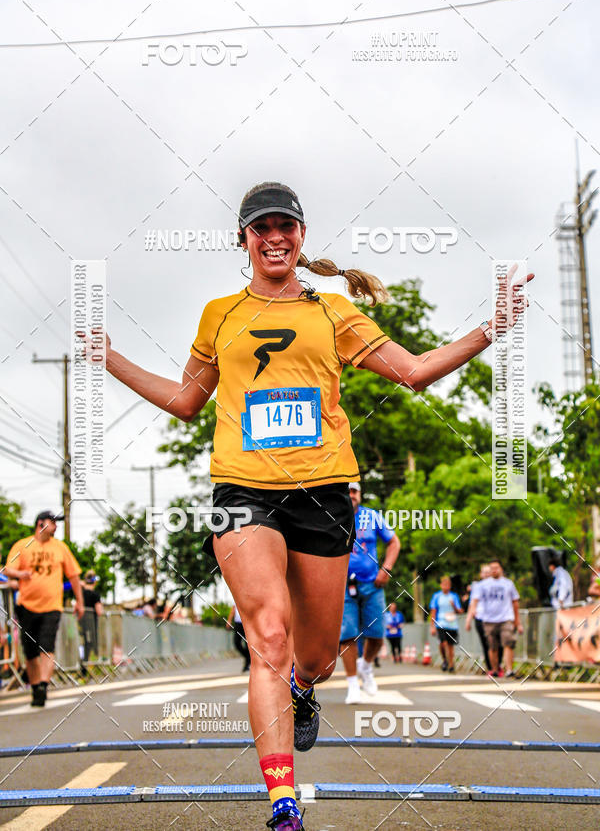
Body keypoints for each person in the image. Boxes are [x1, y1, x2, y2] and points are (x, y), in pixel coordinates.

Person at [85, 181, 532, 830]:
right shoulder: (219, 313)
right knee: (269, 635)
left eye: (285, 226)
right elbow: (187, 402)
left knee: (316, 654)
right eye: (260, 227)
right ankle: (283, 802)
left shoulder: (333, 312)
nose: (274, 237)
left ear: (300, 237)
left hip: (323, 492)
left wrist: (492, 328)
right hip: (242, 490)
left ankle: (303, 690)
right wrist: (109, 358)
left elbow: (414, 370)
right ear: (243, 239)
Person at [3, 511, 84, 707]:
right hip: (26, 605)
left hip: (52, 606)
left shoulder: (60, 548)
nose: (56, 527)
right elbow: (7, 569)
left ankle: (43, 686)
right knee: (30, 651)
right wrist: (20, 574)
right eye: (53, 522)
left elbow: (73, 575)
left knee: (47, 646)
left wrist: (80, 601)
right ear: (41, 524)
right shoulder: (23, 545)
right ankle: (35, 685)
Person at [340, 482, 400, 703]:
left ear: (360, 494)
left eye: (354, 491)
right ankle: (353, 685)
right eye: (347, 491)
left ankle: (365, 665)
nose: (351, 495)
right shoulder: (330, 516)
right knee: (347, 635)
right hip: (343, 586)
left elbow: (393, 542)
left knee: (376, 635)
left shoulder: (372, 516)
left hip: (372, 584)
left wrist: (386, 569)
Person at [466, 558, 522, 678]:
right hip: (489, 620)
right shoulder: (482, 585)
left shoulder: (508, 583)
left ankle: (509, 670)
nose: (494, 570)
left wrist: (517, 621)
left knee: (508, 643)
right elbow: (474, 601)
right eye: (492, 568)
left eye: (496, 568)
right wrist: (470, 615)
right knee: (492, 646)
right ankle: (495, 669)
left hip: (506, 618)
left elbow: (515, 602)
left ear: (501, 569)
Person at [466, 563, 498, 673]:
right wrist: (468, 620)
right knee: (487, 643)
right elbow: (472, 604)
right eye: (484, 572)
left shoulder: (498, 585)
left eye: (488, 572)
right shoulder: (478, 587)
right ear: (481, 574)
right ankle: (491, 668)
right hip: (481, 618)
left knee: (497, 643)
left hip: (495, 618)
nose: (486, 574)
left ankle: (497, 666)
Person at [429, 576, 463, 672]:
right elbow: (433, 611)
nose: (446, 587)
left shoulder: (454, 596)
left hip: (452, 624)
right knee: (443, 643)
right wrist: (432, 626)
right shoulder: (436, 596)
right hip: (440, 623)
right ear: (441, 585)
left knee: (450, 645)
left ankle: (451, 664)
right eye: (444, 584)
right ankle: (445, 659)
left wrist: (454, 606)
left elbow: (459, 611)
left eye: (448, 585)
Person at [79, 571, 104, 672]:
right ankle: (86, 666)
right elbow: (99, 611)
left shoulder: (80, 593)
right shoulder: (95, 595)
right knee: (90, 644)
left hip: (80, 622)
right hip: (90, 623)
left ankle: (84, 665)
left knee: (83, 643)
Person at [227, 602, 251, 672]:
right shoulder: (236, 596)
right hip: (238, 623)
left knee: (247, 644)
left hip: (246, 622)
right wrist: (229, 620)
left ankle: (247, 665)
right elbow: (233, 609)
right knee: (236, 642)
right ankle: (248, 657)